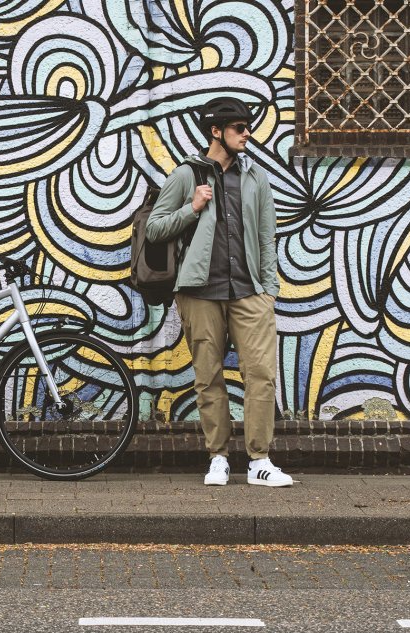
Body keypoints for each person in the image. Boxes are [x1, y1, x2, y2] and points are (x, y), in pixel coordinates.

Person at [145, 96, 292, 488]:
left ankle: (260, 459)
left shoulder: (255, 177)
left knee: (260, 374)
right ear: (216, 131)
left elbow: (266, 235)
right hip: (199, 293)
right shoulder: (185, 175)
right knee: (208, 376)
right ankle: (219, 457)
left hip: (249, 291)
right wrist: (191, 208)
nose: (248, 134)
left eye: (248, 127)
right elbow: (154, 229)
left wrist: (269, 289)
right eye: (239, 128)